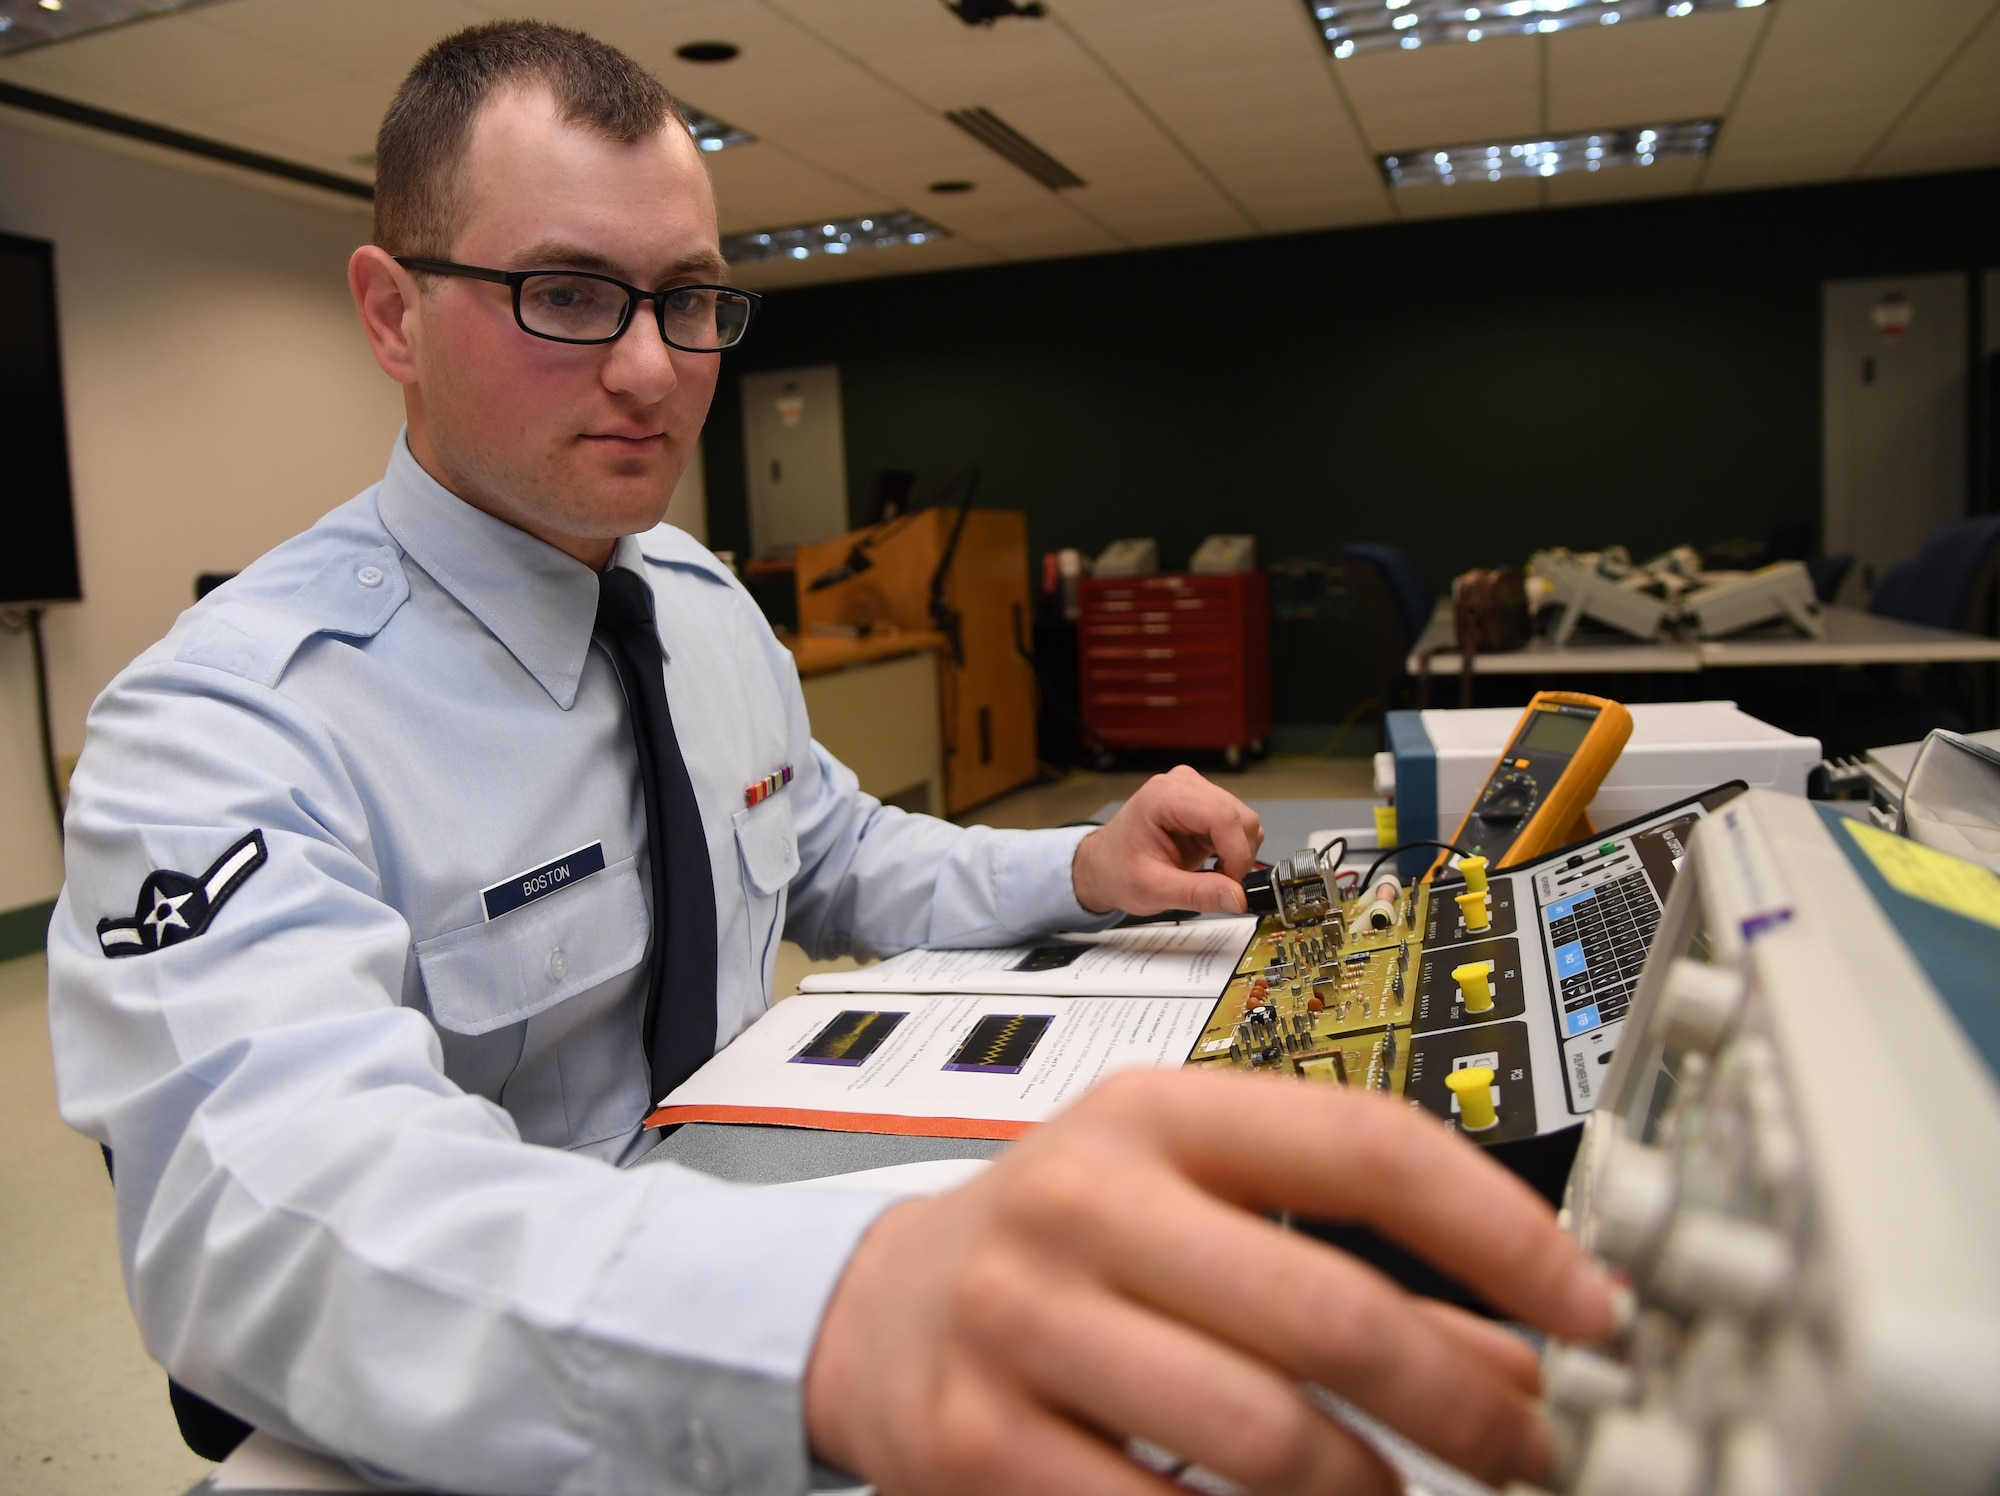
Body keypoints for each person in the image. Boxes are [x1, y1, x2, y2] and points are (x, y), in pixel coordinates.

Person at [47, 21, 1613, 1496]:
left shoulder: (699, 602)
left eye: (689, 297)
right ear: (393, 313)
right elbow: (268, 1213)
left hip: (766, 1233)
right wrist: (835, 1314)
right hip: (505, 1390)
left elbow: (839, 850)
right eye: (571, 296)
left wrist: (1078, 861)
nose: (655, 369)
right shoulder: (227, 722)